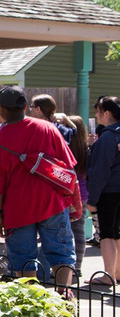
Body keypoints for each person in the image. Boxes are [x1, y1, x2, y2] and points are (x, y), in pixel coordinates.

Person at [0, 85, 80, 296]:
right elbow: (68, 165)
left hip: (18, 208)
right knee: (61, 251)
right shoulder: (48, 128)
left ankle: (32, 302)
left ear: (0, 108)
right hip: (52, 203)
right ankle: (65, 295)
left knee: (22, 257)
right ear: (26, 106)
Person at [87, 96, 120, 285]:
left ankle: (108, 275)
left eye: (98, 111)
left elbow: (100, 170)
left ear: (107, 113)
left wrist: (92, 198)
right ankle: (116, 272)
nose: (97, 115)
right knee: (117, 233)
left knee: (106, 234)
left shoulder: (108, 137)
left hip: (108, 192)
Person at [62, 113, 90, 277]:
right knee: (78, 231)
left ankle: (66, 266)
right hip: (83, 193)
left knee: (65, 230)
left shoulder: (66, 147)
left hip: (68, 192)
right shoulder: (86, 148)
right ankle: (77, 266)